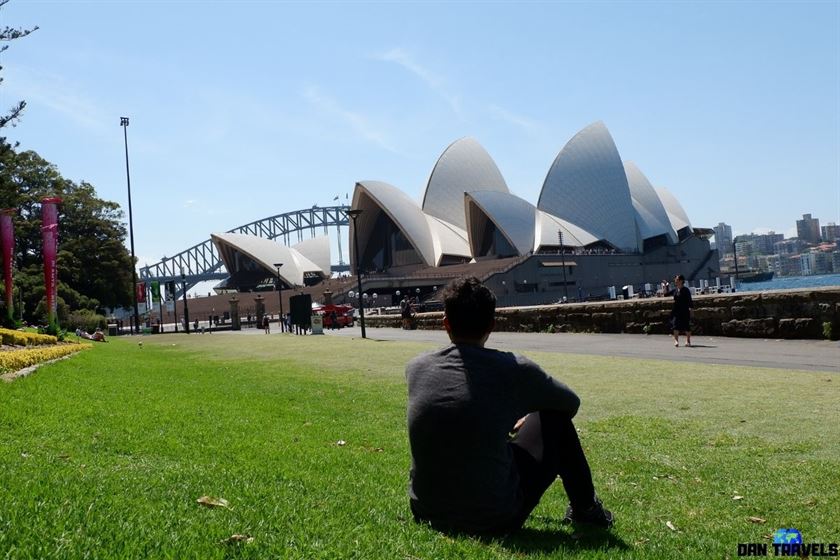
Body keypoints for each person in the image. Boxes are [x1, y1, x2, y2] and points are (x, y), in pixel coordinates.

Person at [405, 277, 613, 536]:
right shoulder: (513, 369)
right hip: (492, 516)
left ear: (445, 322)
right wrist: (525, 414)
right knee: (555, 421)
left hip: (426, 509)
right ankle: (587, 509)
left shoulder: (416, 367)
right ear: (492, 324)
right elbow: (569, 403)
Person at [671, 274, 693, 347]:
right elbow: (665, 294)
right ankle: (676, 341)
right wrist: (665, 286)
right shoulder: (675, 290)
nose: (675, 281)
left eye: (677, 280)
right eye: (675, 280)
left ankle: (688, 340)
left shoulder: (686, 290)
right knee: (675, 325)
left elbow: (690, 300)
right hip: (676, 311)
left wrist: (691, 309)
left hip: (685, 310)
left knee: (686, 326)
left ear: (681, 281)